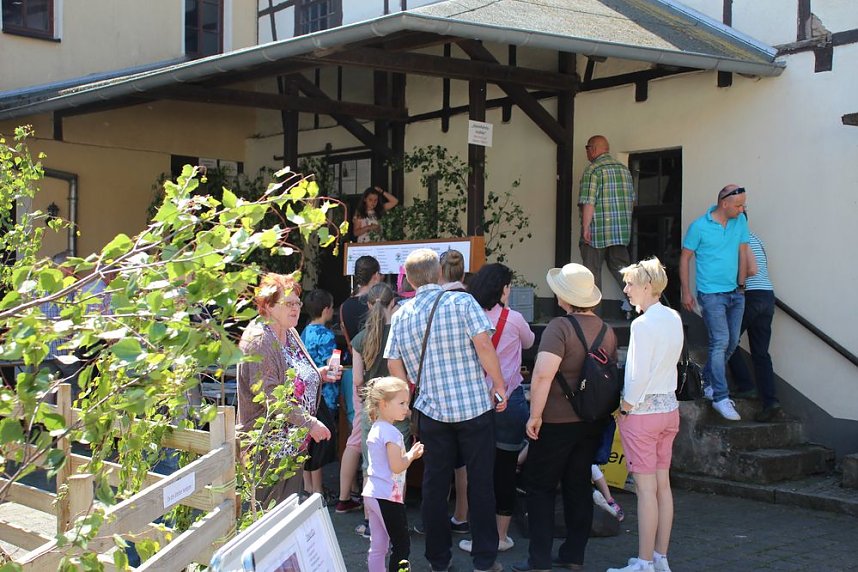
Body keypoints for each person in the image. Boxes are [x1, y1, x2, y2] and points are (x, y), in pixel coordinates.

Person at [385, 248, 507, 572]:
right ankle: (484, 559)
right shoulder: (463, 302)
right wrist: (499, 384)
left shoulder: (401, 315)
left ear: (409, 279)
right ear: (439, 273)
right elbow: (483, 345)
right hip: (473, 407)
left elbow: (392, 361)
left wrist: (408, 395)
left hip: (430, 410)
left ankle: (438, 560)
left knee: (434, 488)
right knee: (481, 484)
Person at [513, 263, 616, 572]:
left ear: (563, 296)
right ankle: (574, 554)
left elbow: (543, 376)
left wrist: (535, 416)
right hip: (590, 420)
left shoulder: (560, 327)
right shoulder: (607, 329)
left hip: (557, 421)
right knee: (578, 486)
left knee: (541, 488)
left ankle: (539, 559)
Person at [606, 258, 683, 572]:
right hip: (669, 410)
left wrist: (624, 408)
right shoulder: (674, 317)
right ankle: (660, 557)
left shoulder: (642, 324)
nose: (626, 289)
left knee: (646, 490)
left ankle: (644, 561)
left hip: (643, 413)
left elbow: (636, 376)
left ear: (647, 286)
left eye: (630, 284)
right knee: (662, 487)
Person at [237, 273, 337, 506]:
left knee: (286, 513)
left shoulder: (288, 331)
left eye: (297, 303)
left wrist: (318, 375)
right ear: (268, 306)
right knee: (266, 517)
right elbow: (271, 397)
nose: (296, 309)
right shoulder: (260, 340)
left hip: (291, 444)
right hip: (266, 449)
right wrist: (310, 423)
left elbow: (293, 375)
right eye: (288, 303)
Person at [459, 263, 535, 555]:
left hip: (475, 402)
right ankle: (501, 536)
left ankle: (479, 536)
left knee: (477, 470)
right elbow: (529, 341)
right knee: (505, 469)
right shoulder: (513, 319)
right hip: (509, 398)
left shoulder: (468, 317)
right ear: (502, 289)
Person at [679, 184, 750, 421]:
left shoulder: (739, 222)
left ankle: (707, 381)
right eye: (738, 205)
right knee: (720, 341)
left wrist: (741, 286)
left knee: (731, 342)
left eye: (743, 205)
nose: (742, 209)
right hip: (710, 295)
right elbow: (685, 258)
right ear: (724, 203)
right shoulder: (699, 226)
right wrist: (686, 292)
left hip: (735, 293)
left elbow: (742, 252)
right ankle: (720, 397)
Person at [352, 283, 411, 538]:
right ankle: (396, 520)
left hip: (372, 409)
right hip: (398, 408)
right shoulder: (400, 334)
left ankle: (370, 522)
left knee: (371, 467)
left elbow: (356, 379)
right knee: (398, 467)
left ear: (368, 305)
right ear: (392, 304)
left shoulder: (361, 338)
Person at [362, 376, 424, 572]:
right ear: (384, 404)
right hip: (387, 496)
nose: (407, 408)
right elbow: (397, 466)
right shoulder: (391, 432)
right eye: (402, 403)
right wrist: (412, 455)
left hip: (372, 493)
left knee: (378, 546)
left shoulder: (376, 428)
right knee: (401, 545)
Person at [337, 255, 383, 513]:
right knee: (359, 437)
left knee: (357, 432)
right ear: (375, 276)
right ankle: (348, 497)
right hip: (372, 373)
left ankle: (348, 494)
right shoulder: (376, 304)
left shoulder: (345, 306)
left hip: (355, 370)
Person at [728, 222, 780, 422]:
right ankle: (770, 402)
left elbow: (742, 269)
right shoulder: (755, 237)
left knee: (727, 341)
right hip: (767, 295)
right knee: (761, 353)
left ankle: (746, 386)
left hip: (750, 295)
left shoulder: (735, 239)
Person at [577, 135, 635, 310]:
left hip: (597, 232)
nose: (586, 152)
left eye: (587, 148)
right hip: (620, 233)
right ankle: (644, 305)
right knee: (624, 271)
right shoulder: (625, 171)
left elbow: (589, 201)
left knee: (592, 273)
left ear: (593, 149)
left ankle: (593, 316)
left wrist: (586, 227)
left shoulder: (593, 170)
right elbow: (632, 201)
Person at [438, 248, 470, 535]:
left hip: (435, 397)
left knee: (437, 465)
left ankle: (434, 526)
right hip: (467, 398)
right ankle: (461, 515)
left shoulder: (431, 303)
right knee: (462, 463)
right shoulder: (468, 303)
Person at [299, 288, 339, 498]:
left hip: (306, 392)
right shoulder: (327, 335)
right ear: (326, 310)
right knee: (322, 442)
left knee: (308, 440)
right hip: (325, 393)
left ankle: (307, 487)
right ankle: (318, 489)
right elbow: (332, 367)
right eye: (332, 307)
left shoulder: (303, 332)